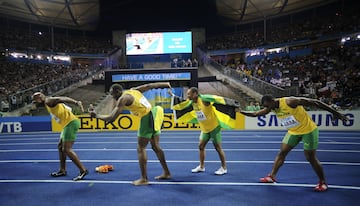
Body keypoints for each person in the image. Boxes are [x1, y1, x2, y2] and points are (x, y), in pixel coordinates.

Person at [240, 95, 349, 192]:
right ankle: (271, 177)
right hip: (293, 132)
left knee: (310, 157)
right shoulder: (271, 107)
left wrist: (335, 113)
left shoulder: (290, 101)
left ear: (273, 101)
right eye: (266, 107)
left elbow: (315, 102)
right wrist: (239, 111)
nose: (269, 109)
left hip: (308, 131)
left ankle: (322, 182)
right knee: (282, 152)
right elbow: (255, 114)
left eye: (269, 106)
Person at [90, 83, 172, 186]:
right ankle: (167, 172)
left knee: (141, 148)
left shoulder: (123, 99)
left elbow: (112, 118)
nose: (112, 97)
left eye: (112, 94)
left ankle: (144, 179)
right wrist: (165, 84)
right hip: (155, 112)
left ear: (117, 92)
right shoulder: (132, 90)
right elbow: (149, 86)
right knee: (156, 147)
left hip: (147, 117)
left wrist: (97, 116)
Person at [170, 87, 240, 175]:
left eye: (189, 94)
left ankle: (224, 168)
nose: (187, 96)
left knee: (218, 148)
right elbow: (182, 103)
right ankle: (201, 166)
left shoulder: (204, 100)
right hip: (205, 129)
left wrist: (233, 105)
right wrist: (173, 96)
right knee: (201, 146)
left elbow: (219, 100)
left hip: (214, 127)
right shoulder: (191, 102)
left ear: (195, 94)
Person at [31, 92, 88, 181]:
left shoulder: (48, 101)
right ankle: (62, 170)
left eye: (36, 101)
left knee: (67, 149)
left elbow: (62, 98)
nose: (36, 104)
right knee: (60, 146)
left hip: (70, 123)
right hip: (67, 124)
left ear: (40, 98)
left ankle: (83, 170)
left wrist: (76, 102)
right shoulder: (47, 103)